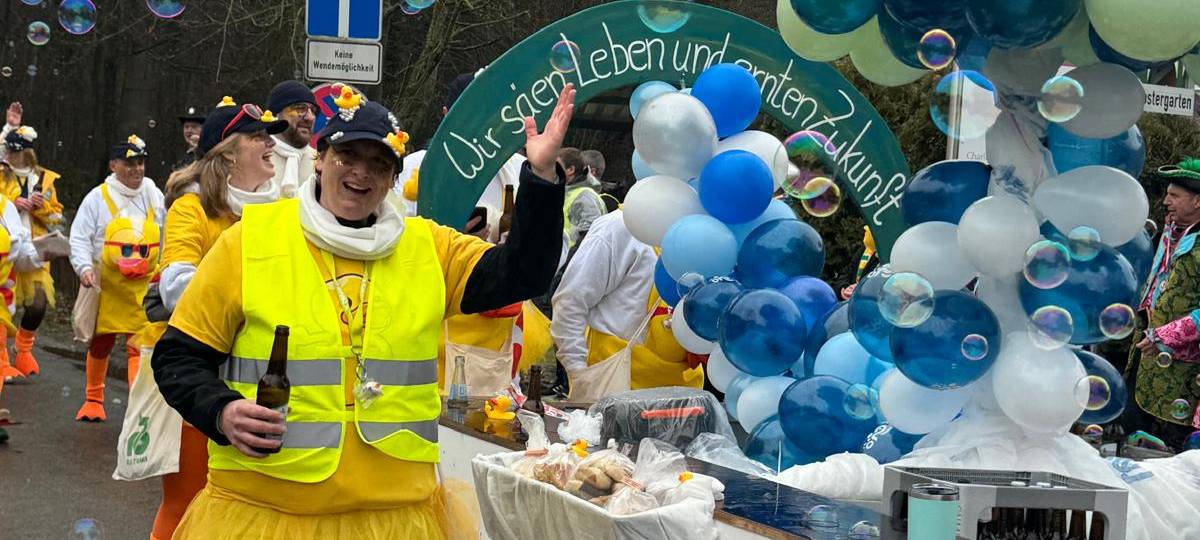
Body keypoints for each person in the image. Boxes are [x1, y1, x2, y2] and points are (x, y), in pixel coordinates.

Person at [152, 83, 574, 539]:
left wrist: (541, 175)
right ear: (320, 159)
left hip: (395, 520)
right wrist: (222, 411)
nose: (360, 173)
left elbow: (524, 273)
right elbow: (178, 358)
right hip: (267, 515)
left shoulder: (429, 247)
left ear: (394, 178)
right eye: (347, 157)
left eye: (378, 164)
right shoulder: (249, 242)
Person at [144, 97, 287, 540]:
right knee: (186, 501)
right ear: (227, 154)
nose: (271, 145)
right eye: (258, 137)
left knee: (246, 506)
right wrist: (248, 301)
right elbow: (176, 281)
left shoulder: (281, 209)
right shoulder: (193, 207)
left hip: (255, 380)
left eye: (271, 136)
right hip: (198, 374)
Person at [551, 210, 704, 394]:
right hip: (614, 391)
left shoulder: (705, 234)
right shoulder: (620, 228)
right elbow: (569, 303)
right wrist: (581, 375)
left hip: (684, 398)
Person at [68, 134, 165, 421]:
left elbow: (167, 231)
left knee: (140, 343)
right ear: (113, 165)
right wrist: (84, 267)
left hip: (142, 286)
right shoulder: (97, 198)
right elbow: (79, 237)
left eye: (141, 162)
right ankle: (93, 398)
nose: (137, 169)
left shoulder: (153, 194)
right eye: (129, 162)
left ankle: (137, 407)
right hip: (107, 285)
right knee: (102, 342)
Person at [1129, 159, 1200, 449]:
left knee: (1170, 453)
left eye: (1175, 195)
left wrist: (1164, 335)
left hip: (1183, 374)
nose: (1166, 201)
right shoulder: (1168, 235)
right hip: (1146, 362)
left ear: (1198, 201)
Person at [0, 123, 64, 378]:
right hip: (8, 249)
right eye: (10, 151)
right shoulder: (2, 175)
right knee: (5, 306)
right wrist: (13, 203)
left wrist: (41, 208)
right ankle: (3, 359)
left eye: (18, 151)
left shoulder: (45, 179)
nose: (13, 157)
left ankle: (23, 349)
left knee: (38, 303)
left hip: (36, 247)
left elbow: (58, 218)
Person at [265, 81, 319, 199]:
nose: (310, 117)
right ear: (277, 114)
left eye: (313, 111)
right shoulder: (255, 157)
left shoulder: (320, 163)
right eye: (300, 108)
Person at [560, 147, 606, 248]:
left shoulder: (585, 197)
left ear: (571, 170)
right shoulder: (568, 193)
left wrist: (568, 262)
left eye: (557, 166)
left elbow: (589, 239)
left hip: (570, 261)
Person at [175, 106, 207, 170]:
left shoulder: (208, 152)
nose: (189, 130)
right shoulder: (185, 156)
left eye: (194, 127)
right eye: (186, 127)